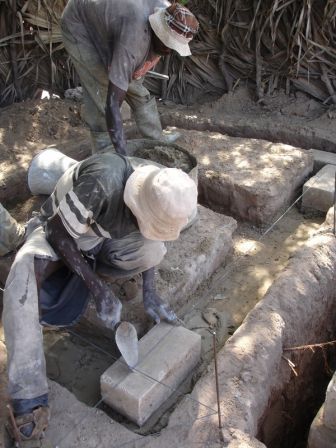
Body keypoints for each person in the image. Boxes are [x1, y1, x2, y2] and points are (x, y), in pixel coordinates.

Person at [3, 151, 197, 445]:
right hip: (61, 232)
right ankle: (28, 395)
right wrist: (97, 289)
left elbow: (153, 240)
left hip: (102, 240)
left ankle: (94, 271)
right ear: (137, 200)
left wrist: (150, 293)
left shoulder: (163, 185)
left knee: (152, 251)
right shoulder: (102, 183)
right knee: (22, 277)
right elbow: (57, 231)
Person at [60, 0, 199, 153]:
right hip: (80, 24)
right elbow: (112, 104)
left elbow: (156, 52)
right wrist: (122, 153)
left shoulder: (167, 11)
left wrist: (141, 67)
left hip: (113, 20)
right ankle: (104, 150)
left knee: (135, 85)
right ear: (157, 30)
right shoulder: (133, 39)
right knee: (100, 87)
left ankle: (156, 139)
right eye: (168, 44)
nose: (170, 50)